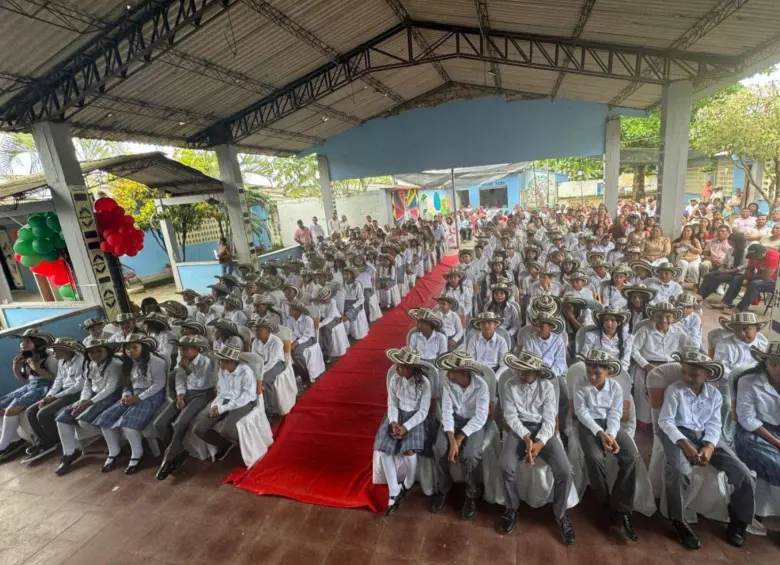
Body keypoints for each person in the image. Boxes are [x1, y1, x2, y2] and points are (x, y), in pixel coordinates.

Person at [658, 350, 754, 549]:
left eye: (694, 375)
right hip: (678, 434)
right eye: (684, 372)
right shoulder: (674, 390)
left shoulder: (715, 395)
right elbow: (666, 421)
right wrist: (686, 445)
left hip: (706, 436)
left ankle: (738, 521)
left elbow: (714, 424)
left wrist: (709, 447)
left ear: (707, 376)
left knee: (743, 473)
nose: (687, 378)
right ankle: (678, 520)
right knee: (679, 472)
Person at [499, 351, 575, 543]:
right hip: (519, 431)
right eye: (519, 371)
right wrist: (525, 438)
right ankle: (512, 508)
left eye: (526, 372)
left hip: (544, 431)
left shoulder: (548, 387)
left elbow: (551, 420)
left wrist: (539, 443)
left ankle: (560, 513)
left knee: (565, 471)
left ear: (537, 372)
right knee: (505, 466)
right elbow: (510, 416)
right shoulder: (510, 385)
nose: (521, 375)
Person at [574, 349, 640, 542]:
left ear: (608, 372)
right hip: (589, 426)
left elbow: (615, 413)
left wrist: (611, 434)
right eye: (590, 372)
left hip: (610, 426)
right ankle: (605, 502)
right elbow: (581, 413)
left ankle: (621, 507)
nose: (593, 377)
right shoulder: (580, 384)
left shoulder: (616, 388)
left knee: (632, 457)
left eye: (598, 373)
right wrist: (600, 433)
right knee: (594, 458)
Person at [93, 334, 167, 474]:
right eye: (127, 348)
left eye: (134, 347)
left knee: (127, 422)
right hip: (134, 394)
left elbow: (159, 385)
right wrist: (125, 395)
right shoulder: (129, 363)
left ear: (143, 347)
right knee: (105, 418)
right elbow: (127, 383)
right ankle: (114, 451)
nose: (130, 351)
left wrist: (139, 398)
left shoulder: (157, 362)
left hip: (152, 395)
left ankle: (137, 454)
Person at [431, 352, 490, 519]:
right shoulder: (448, 383)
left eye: (452, 371)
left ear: (464, 372)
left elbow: (480, 417)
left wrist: (459, 438)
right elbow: (447, 413)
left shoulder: (481, 386)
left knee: (470, 455)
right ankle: (443, 488)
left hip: (474, 423)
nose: (448, 374)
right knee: (439, 448)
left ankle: (471, 494)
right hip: (454, 420)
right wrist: (451, 438)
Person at [374, 347, 432, 516]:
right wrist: (393, 422)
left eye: (403, 367)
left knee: (409, 450)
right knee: (384, 449)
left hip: (416, 418)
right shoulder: (395, 379)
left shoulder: (424, 384)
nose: (398, 369)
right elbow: (392, 403)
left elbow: (423, 411)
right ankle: (394, 490)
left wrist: (406, 427)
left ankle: (408, 481)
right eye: (398, 365)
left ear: (412, 368)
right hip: (397, 415)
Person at [54, 339, 123, 475]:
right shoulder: (90, 365)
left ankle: (115, 448)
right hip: (93, 397)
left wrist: (90, 402)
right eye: (91, 352)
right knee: (62, 418)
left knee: (83, 420)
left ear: (107, 351)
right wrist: (83, 400)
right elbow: (87, 385)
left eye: (99, 351)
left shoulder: (115, 364)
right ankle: (69, 453)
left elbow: (110, 388)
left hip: (112, 395)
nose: (95, 354)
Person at [155, 335, 217, 481]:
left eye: (185, 349)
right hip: (187, 393)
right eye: (180, 348)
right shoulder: (181, 360)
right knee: (160, 423)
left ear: (197, 349)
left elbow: (203, 382)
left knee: (181, 422)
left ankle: (168, 459)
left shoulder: (205, 361)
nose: (182, 352)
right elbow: (180, 379)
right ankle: (178, 451)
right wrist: (180, 396)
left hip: (202, 394)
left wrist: (188, 369)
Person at [734, 343, 780, 517]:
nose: (776, 369)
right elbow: (746, 419)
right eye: (772, 363)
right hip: (754, 432)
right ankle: (761, 511)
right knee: (775, 463)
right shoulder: (748, 381)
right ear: (765, 362)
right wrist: (777, 443)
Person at [21, 338, 84, 463]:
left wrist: (55, 397)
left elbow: (78, 386)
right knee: (30, 411)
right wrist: (48, 397)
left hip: (76, 393)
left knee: (43, 413)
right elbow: (58, 381)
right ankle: (44, 442)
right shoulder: (62, 362)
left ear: (65, 350)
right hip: (63, 392)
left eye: (55, 350)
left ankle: (56, 441)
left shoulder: (79, 361)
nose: (53, 353)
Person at [192, 344, 257, 461]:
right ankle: (224, 444)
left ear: (230, 361)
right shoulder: (222, 370)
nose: (218, 362)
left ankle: (251, 447)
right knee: (199, 429)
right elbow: (221, 392)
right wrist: (215, 406)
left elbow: (247, 396)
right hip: (225, 401)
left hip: (243, 402)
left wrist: (222, 408)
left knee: (226, 430)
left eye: (221, 360)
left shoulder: (246, 372)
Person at [631, 301, 692, 424]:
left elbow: (689, 349)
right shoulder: (645, 330)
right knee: (644, 386)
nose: (663, 320)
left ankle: (672, 419)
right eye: (659, 317)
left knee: (680, 388)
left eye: (668, 317)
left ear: (673, 318)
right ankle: (646, 420)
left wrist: (686, 362)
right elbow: (633, 349)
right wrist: (646, 365)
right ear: (653, 316)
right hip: (649, 364)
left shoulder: (679, 332)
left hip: (672, 364)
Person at [0, 329, 57, 460]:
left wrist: (38, 369)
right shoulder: (26, 358)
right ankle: (14, 440)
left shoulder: (50, 357)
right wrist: (16, 367)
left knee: (11, 410)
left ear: (39, 342)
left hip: (44, 387)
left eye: (28, 341)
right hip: (29, 386)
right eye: (22, 341)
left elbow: (56, 379)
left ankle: (2, 445)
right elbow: (25, 380)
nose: (23, 344)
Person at [719, 243, 779, 313]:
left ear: (763, 253)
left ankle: (740, 309)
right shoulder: (753, 255)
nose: (753, 259)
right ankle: (726, 302)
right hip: (761, 276)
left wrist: (749, 279)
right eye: (751, 257)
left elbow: (765, 277)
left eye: (755, 257)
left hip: (776, 282)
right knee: (737, 278)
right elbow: (748, 269)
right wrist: (747, 278)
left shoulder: (773, 256)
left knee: (755, 283)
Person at [249, 317, 287, 414]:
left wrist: (260, 373)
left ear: (268, 330)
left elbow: (272, 362)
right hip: (262, 364)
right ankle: (256, 405)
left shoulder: (276, 341)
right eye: (256, 330)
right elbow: (254, 359)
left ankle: (270, 409)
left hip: (277, 364)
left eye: (259, 329)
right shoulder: (255, 342)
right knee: (249, 377)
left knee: (265, 380)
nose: (256, 332)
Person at [698, 231, 747, 303]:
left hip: (738, 273)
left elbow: (743, 267)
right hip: (728, 270)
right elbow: (725, 262)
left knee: (717, 278)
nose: (730, 244)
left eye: (732, 242)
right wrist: (723, 267)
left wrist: (729, 271)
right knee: (709, 275)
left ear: (737, 242)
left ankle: (703, 295)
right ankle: (699, 294)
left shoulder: (745, 252)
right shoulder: (730, 249)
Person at [582, 306, 633, 374]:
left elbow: (625, 361)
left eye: (613, 320)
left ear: (619, 323)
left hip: (617, 372)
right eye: (606, 320)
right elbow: (585, 355)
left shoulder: (627, 338)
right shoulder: (592, 336)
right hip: (595, 372)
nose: (609, 323)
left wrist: (618, 373)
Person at [286, 300, 316, 388]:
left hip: (308, 339)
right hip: (296, 339)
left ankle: (306, 376)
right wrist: (290, 343)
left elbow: (307, 335)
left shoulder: (308, 320)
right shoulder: (290, 319)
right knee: (286, 350)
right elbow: (290, 332)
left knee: (297, 353)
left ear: (298, 311)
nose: (290, 310)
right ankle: (295, 375)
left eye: (292, 309)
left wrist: (295, 343)